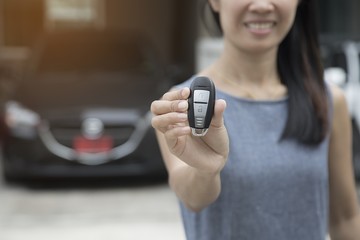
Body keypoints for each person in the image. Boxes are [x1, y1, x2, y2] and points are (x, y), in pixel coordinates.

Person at [150, 0, 360, 239]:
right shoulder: (181, 105)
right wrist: (205, 170)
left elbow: (345, 219)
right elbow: (192, 198)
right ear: (215, 2)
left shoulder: (328, 100)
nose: (262, 5)